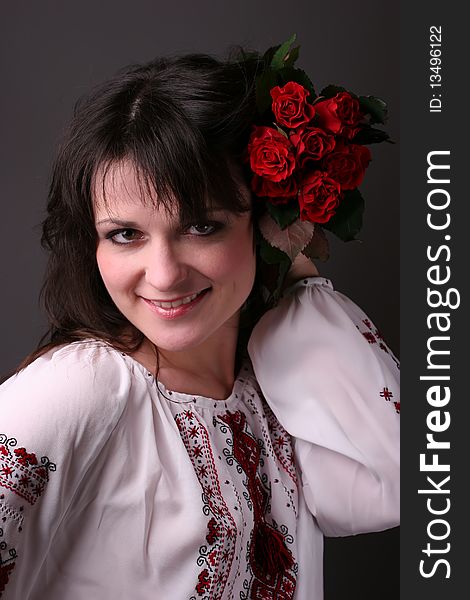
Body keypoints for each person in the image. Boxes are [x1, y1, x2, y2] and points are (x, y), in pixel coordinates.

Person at [0, 48, 399, 600]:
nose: (163, 275)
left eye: (202, 227)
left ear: (263, 222)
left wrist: (296, 271)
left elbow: (406, 482)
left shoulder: (276, 396)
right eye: (125, 235)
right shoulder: (80, 389)